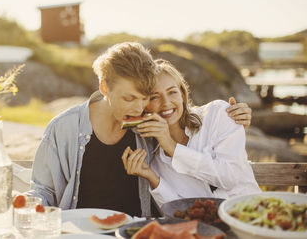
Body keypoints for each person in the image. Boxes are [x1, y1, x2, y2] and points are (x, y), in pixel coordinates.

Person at [29, 43, 253, 217]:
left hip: (139, 228)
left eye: (145, 98)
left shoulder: (152, 128)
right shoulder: (64, 128)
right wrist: (28, 208)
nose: (138, 107)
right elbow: (43, 191)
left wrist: (236, 118)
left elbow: (183, 116)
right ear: (104, 87)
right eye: (129, 98)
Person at [122, 59, 261, 208]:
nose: (166, 102)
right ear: (144, 106)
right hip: (205, 228)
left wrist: (173, 148)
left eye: (172, 92)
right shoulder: (154, 160)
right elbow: (178, 210)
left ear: (182, 94)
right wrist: (151, 177)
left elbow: (230, 178)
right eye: (154, 97)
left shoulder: (219, 113)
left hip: (253, 215)